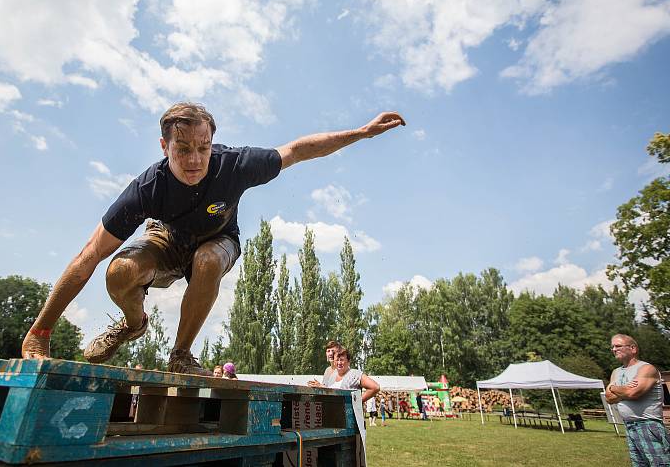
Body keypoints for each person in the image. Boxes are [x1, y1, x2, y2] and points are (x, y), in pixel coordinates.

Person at [20, 103, 405, 374]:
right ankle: (133, 323)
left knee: (206, 260)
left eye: (203, 149)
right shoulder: (148, 189)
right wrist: (39, 334)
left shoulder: (235, 165)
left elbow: (298, 150)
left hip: (218, 240)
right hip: (167, 239)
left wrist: (363, 132)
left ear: (212, 143)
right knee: (118, 271)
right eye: (182, 149)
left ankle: (181, 354)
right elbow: (88, 256)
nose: (194, 161)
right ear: (164, 146)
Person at [605, 334, 670, 466]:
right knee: (639, 464)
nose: (614, 349)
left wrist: (616, 388)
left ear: (633, 348)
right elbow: (609, 398)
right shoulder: (616, 372)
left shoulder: (646, 369)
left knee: (660, 464)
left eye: (618, 346)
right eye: (612, 347)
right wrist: (624, 389)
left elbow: (633, 392)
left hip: (648, 426)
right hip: (629, 426)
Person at [310, 347, 380, 402]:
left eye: (342, 360)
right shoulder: (332, 376)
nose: (339, 363)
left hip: (349, 418)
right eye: (337, 360)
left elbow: (375, 387)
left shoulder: (355, 374)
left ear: (348, 361)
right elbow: (334, 392)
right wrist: (322, 386)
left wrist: (357, 402)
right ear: (334, 362)